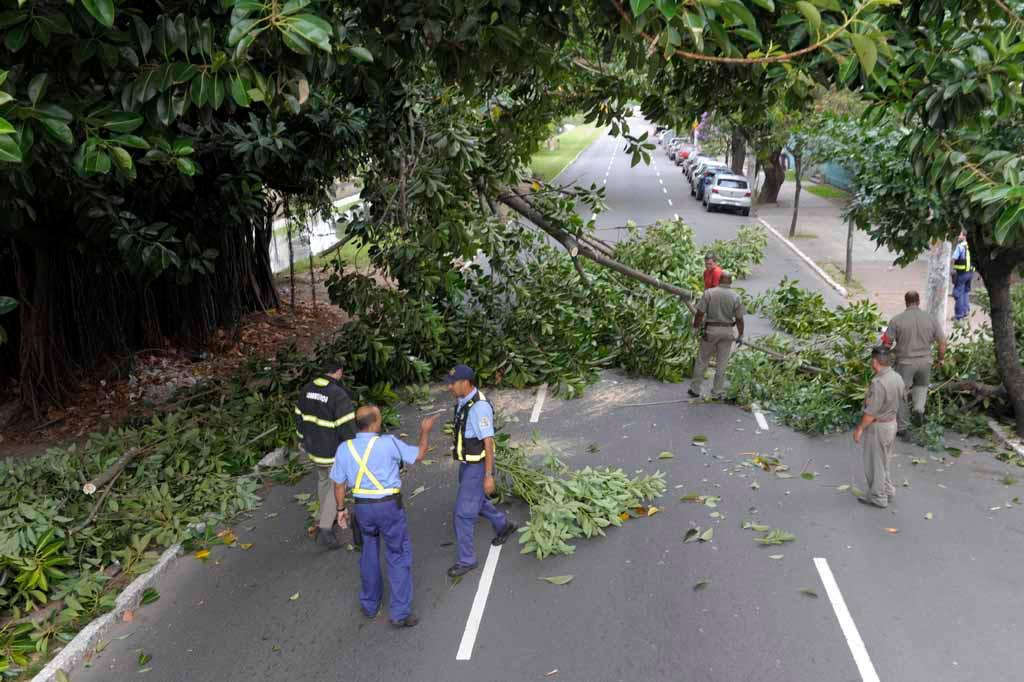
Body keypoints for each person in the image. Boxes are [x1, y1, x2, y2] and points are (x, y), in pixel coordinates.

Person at [331, 405, 439, 628]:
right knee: (398, 554)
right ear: (374, 423)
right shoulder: (388, 443)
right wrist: (425, 430)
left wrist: (341, 509)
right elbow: (419, 455)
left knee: (368, 553)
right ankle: (399, 613)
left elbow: (338, 483)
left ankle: (370, 604)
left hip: (362, 509)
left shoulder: (344, 449)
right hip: (389, 507)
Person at [443, 364, 517, 578]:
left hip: (477, 468)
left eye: (453, 383)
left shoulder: (479, 408)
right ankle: (504, 525)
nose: (450, 387)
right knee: (477, 501)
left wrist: (488, 476)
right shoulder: (463, 401)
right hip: (468, 465)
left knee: (463, 514)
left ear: (466, 383)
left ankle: (467, 559)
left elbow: (488, 443)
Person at [294, 360, 359, 550]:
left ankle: (325, 515)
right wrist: (354, 448)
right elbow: (347, 427)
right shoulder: (338, 395)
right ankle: (325, 526)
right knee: (336, 485)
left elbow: (299, 418)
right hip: (332, 451)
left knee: (323, 481)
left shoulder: (306, 390)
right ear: (338, 371)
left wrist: (302, 441)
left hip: (314, 449)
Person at [884, 291, 947, 431]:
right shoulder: (931, 319)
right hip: (925, 362)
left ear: (906, 302)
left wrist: (884, 361)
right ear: (918, 301)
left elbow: (887, 344)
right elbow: (943, 342)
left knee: (902, 393)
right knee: (921, 387)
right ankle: (919, 409)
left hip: (905, 363)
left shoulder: (896, 320)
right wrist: (941, 359)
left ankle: (903, 426)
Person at [853, 346, 905, 509]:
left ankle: (878, 496)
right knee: (884, 460)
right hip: (891, 424)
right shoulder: (897, 377)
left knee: (874, 462)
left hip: (879, 428)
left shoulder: (879, 382)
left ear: (874, 362)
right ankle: (887, 489)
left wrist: (860, 429)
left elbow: (871, 412)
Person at [688, 272, 745, 400]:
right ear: (730, 282)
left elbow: (700, 313)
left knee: (702, 360)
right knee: (722, 363)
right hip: (727, 332)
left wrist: (695, 328)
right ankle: (717, 392)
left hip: (711, 330)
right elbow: (739, 319)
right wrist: (740, 334)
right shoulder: (736, 297)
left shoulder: (709, 293)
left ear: (719, 279)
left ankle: (695, 389)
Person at [951, 231, 973, 322]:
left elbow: (954, 258)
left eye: (960, 234)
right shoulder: (971, 247)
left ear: (964, 236)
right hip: (970, 273)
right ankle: (965, 311)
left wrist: (951, 269)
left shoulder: (960, 246)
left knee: (958, 293)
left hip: (961, 274)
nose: (958, 236)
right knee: (965, 292)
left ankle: (959, 315)